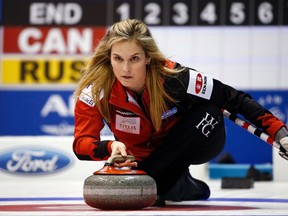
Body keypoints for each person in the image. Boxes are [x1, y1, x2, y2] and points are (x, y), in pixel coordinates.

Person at [73, 19, 288, 206]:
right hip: (140, 160)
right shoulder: (96, 89)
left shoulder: (176, 77)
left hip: (193, 145)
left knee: (210, 111)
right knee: (173, 187)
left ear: (148, 58)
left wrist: (280, 133)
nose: (125, 69)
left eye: (134, 59)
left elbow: (233, 99)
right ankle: (179, 184)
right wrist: (110, 146)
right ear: (108, 57)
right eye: (118, 59)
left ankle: (157, 183)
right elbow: (81, 145)